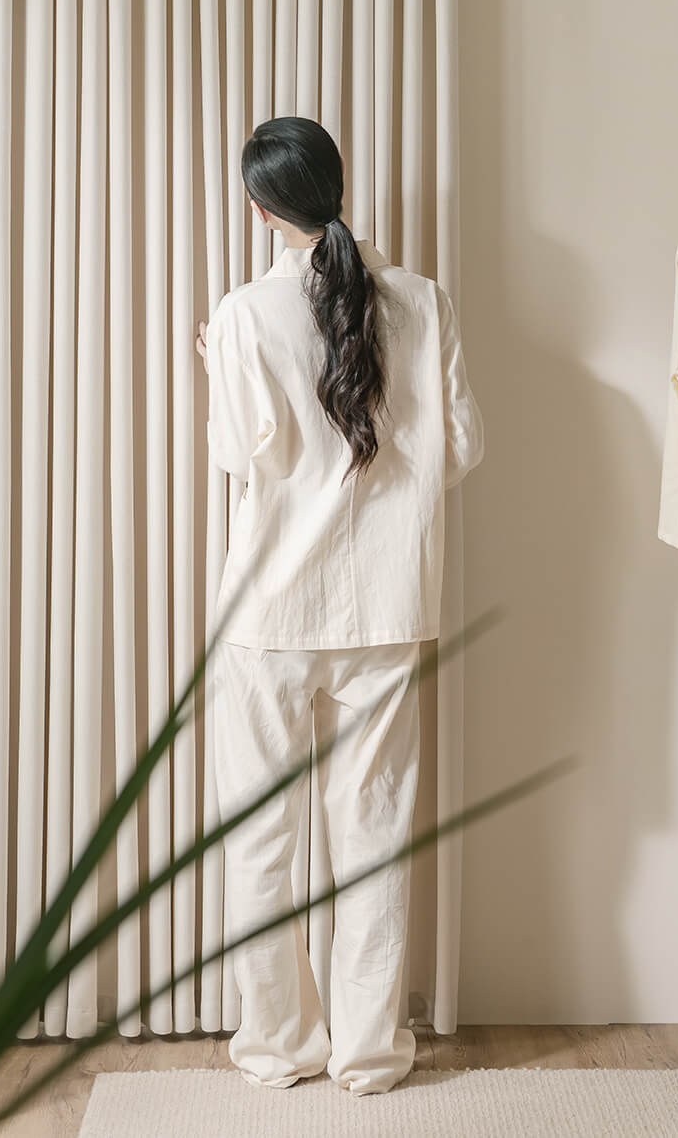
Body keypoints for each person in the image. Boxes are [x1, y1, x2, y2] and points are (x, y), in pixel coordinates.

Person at [194, 116, 484, 1096]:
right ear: (337, 188)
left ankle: (279, 1048)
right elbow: (462, 450)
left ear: (260, 206)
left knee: (261, 843)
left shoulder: (241, 316)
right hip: (385, 612)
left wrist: (214, 366)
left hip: (268, 620)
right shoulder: (422, 301)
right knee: (374, 840)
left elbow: (240, 458)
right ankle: (368, 1055)